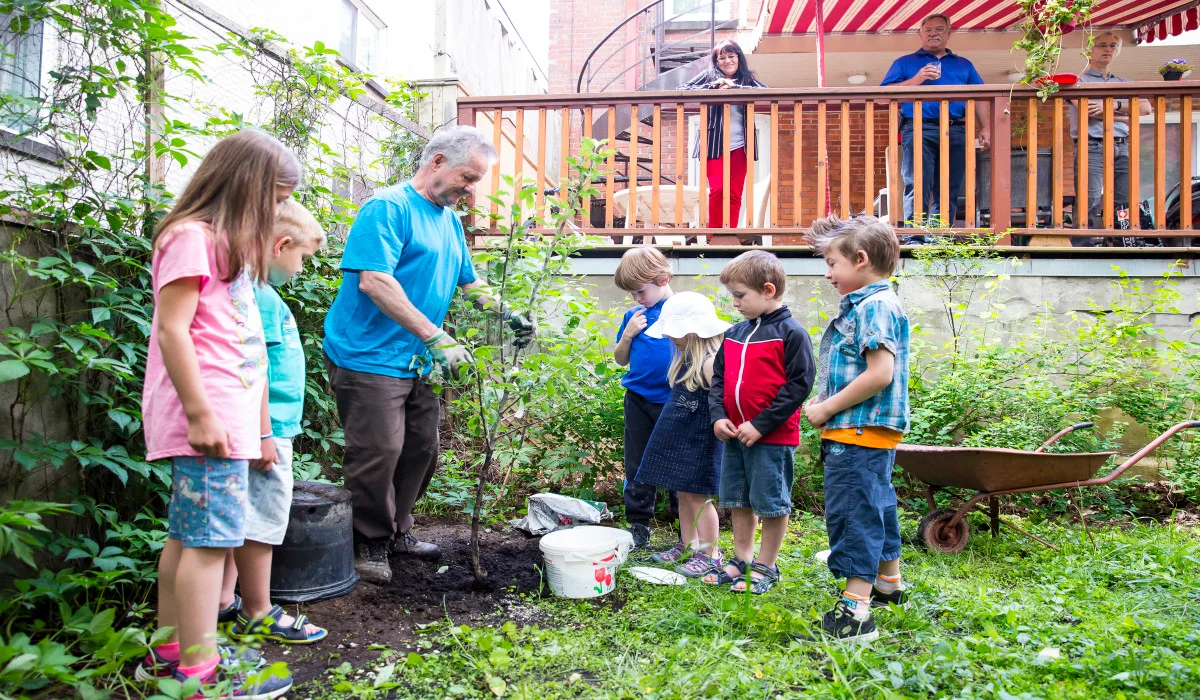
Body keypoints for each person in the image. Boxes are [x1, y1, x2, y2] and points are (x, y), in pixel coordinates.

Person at [323, 126, 535, 585]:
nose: (471, 188)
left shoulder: (448, 222)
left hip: (417, 357)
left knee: (422, 448)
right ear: (437, 161)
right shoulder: (388, 208)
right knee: (379, 451)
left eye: (477, 180)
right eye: (469, 176)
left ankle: (398, 531)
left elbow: (470, 283)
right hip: (367, 354)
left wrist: (508, 312)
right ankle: (369, 541)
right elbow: (374, 281)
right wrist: (436, 336)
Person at [137, 129, 297, 697]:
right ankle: (199, 678)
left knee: (187, 539)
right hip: (208, 420)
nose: (280, 211)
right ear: (247, 187)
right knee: (208, 546)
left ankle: (168, 655)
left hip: (224, 416)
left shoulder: (220, 246)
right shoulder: (191, 238)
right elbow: (172, 329)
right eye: (276, 199)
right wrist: (203, 415)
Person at [210, 200, 327, 645]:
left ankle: (224, 604)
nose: (300, 270)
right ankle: (258, 610)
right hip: (266, 431)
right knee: (261, 522)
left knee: (235, 519)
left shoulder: (250, 290)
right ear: (280, 244)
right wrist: (265, 434)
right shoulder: (257, 294)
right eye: (301, 259)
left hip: (256, 428)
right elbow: (254, 368)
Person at [802, 214, 910, 644]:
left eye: (832, 263)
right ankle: (888, 582)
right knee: (877, 506)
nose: (827, 273)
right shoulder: (877, 303)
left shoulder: (874, 306)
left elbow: (880, 373)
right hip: (868, 433)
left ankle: (854, 614)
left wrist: (826, 407)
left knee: (854, 517)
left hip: (856, 432)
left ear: (860, 259)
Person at [705, 251, 815, 594]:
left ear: (768, 290)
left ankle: (767, 565)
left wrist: (762, 423)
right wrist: (718, 417)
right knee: (738, 498)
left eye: (740, 295)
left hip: (771, 437)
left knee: (770, 501)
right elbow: (718, 380)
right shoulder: (735, 333)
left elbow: (799, 384)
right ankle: (742, 560)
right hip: (735, 434)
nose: (734, 303)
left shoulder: (791, 333)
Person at [635, 292, 730, 577]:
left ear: (693, 330)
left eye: (673, 331)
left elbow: (722, 402)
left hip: (701, 440)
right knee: (682, 492)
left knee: (699, 497)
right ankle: (688, 544)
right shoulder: (686, 357)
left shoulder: (711, 362)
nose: (669, 336)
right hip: (680, 437)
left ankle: (710, 553)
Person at [881, 13, 991, 238]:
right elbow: (884, 96)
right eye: (928, 29)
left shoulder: (964, 65)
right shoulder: (904, 63)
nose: (933, 33)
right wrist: (917, 80)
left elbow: (980, 96)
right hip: (919, 127)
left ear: (949, 34)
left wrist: (986, 127)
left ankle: (938, 237)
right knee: (917, 183)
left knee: (950, 186)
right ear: (920, 34)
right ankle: (915, 237)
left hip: (956, 128)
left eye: (940, 29)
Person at [613, 247, 680, 555]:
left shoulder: (682, 310)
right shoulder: (634, 316)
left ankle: (686, 526)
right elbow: (620, 359)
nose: (637, 298)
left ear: (663, 278)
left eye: (640, 291)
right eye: (632, 294)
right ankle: (639, 524)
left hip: (675, 400)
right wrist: (627, 335)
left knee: (680, 462)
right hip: (638, 399)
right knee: (637, 463)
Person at [1068, 30, 1152, 247]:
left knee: (1124, 199)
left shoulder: (1124, 82)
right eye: (1102, 45)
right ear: (1089, 50)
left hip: (1123, 146)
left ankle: (1123, 242)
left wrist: (1113, 106)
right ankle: (1083, 248)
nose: (1108, 49)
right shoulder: (1078, 81)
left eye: (1113, 46)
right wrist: (1126, 113)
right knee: (1090, 198)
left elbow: (1145, 108)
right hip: (1092, 145)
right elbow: (1088, 110)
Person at [681, 40, 767, 230]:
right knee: (718, 189)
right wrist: (714, 87)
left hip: (740, 145)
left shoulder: (747, 79)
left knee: (735, 193)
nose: (727, 61)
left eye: (731, 56)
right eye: (722, 57)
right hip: (713, 144)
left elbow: (767, 93)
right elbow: (682, 91)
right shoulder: (709, 76)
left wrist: (737, 89)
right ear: (716, 61)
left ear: (738, 58)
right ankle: (715, 235)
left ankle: (730, 233)